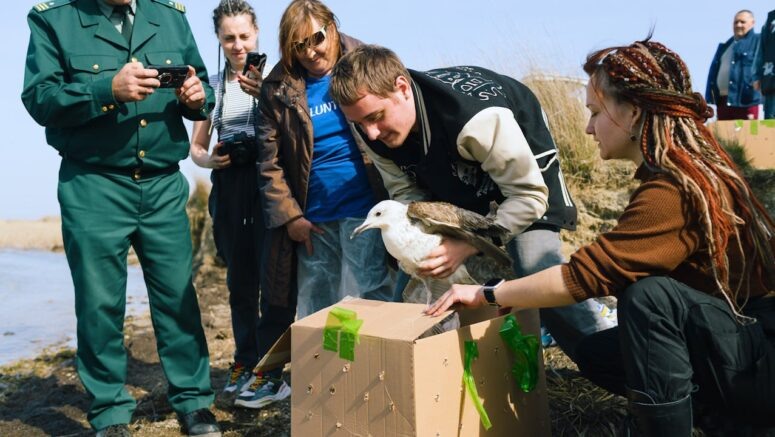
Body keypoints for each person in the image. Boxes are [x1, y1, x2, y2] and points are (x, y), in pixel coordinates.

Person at [426, 39, 775, 436]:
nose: (588, 127)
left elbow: (583, 277)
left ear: (634, 112)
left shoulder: (675, 190)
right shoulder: (680, 171)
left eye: (595, 112)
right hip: (742, 347)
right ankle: (727, 423)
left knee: (648, 298)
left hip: (759, 359)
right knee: (600, 354)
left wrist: (489, 294)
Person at [329, 44, 614, 361]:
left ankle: (613, 364)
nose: (370, 134)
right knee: (411, 291)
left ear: (402, 88)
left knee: (533, 265)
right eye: (359, 124)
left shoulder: (475, 118)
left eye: (376, 117)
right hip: (456, 190)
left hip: (520, 185)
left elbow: (529, 196)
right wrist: (429, 245)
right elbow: (408, 199)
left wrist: (468, 245)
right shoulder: (374, 132)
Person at [21, 0, 221, 436]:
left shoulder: (171, 17)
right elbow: (38, 98)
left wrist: (196, 99)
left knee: (177, 298)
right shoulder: (53, 19)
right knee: (99, 305)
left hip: (163, 184)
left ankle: (194, 401)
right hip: (93, 184)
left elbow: (199, 83)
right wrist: (104, 89)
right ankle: (110, 412)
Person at [249, 0, 395, 406]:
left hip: (363, 209)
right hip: (312, 221)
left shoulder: (366, 61)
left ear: (333, 27)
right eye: (300, 45)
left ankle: (371, 381)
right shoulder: (277, 88)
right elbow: (269, 163)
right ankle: (325, 387)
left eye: (317, 38)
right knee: (317, 306)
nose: (312, 51)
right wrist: (291, 217)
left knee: (366, 297)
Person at [189, 0, 295, 408]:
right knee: (239, 282)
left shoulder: (279, 78)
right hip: (229, 186)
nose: (237, 45)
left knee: (274, 282)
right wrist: (210, 159)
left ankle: (270, 370)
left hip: (269, 184)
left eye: (244, 36)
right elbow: (195, 149)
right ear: (218, 39)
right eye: (228, 38)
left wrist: (266, 95)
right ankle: (243, 361)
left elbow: (295, 137)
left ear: (257, 35)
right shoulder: (212, 85)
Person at [706, 10, 762, 120]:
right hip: (723, 101)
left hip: (746, 101)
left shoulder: (758, 41)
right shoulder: (725, 46)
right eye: (736, 22)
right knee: (723, 136)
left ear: (752, 23)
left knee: (748, 135)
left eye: (742, 22)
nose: (738, 25)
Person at [753, 8, 775, 119]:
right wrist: (756, 75)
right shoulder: (771, 19)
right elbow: (761, 49)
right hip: (771, 82)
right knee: (771, 128)